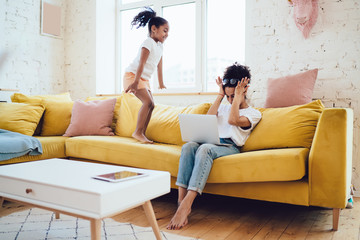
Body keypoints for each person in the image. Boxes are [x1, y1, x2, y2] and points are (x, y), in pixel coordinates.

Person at [167, 63, 262, 230]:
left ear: (244, 90)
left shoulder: (253, 113)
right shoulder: (223, 106)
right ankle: (180, 203)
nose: (231, 100)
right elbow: (208, 119)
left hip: (230, 147)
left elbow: (233, 120)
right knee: (189, 146)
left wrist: (238, 98)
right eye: (228, 96)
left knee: (205, 149)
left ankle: (188, 205)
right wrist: (220, 96)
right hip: (211, 141)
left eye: (234, 96)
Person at [123, 7, 169, 143]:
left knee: (151, 104)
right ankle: (137, 132)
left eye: (168, 32)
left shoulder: (160, 46)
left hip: (143, 79)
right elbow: (141, 64)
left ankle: (141, 133)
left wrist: (161, 82)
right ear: (154, 29)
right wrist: (135, 82)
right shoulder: (148, 42)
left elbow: (159, 65)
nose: (167, 34)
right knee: (147, 102)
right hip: (133, 76)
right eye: (165, 31)